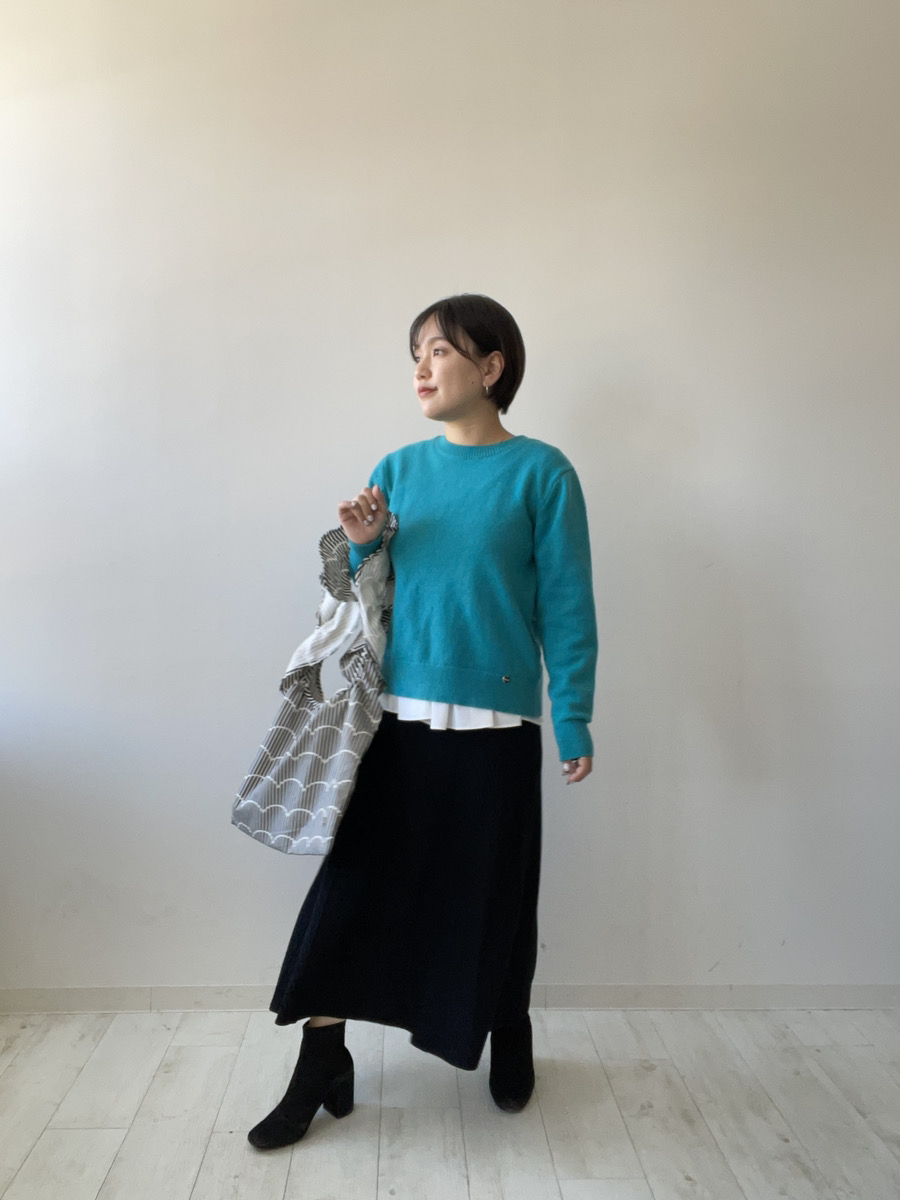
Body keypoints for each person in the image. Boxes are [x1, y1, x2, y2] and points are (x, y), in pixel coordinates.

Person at [248, 293, 598, 1150]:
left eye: (439, 351)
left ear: (491, 367)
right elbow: (364, 597)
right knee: (349, 894)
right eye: (416, 353)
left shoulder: (543, 473)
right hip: (397, 720)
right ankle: (321, 1060)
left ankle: (508, 1030)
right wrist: (365, 543)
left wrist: (573, 716)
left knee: (495, 900)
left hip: (498, 725)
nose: (421, 368)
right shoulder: (398, 469)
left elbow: (566, 607)